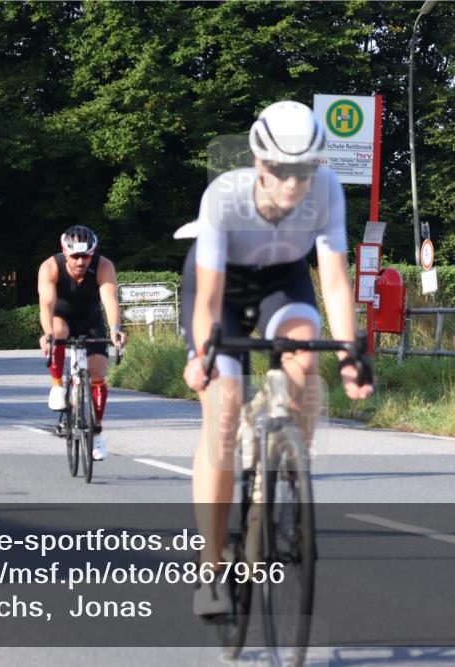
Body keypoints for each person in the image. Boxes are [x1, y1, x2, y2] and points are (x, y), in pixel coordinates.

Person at [181, 101, 374, 617]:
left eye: (305, 171)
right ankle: (211, 566)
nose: (292, 185)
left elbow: (333, 279)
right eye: (280, 172)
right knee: (223, 409)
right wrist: (202, 355)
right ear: (257, 161)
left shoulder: (328, 190)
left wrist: (352, 353)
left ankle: (288, 469)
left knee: (306, 353)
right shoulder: (224, 197)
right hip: (221, 289)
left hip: (280, 282)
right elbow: (207, 299)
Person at [37, 225, 126, 461]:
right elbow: (46, 305)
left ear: (92, 253)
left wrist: (116, 330)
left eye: (85, 255)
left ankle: (96, 434)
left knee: (97, 372)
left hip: (90, 318)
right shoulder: (50, 267)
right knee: (57, 331)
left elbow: (110, 300)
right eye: (75, 256)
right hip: (61, 315)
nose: (80, 261)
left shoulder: (103, 265)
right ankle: (57, 385)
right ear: (65, 253)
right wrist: (47, 334)